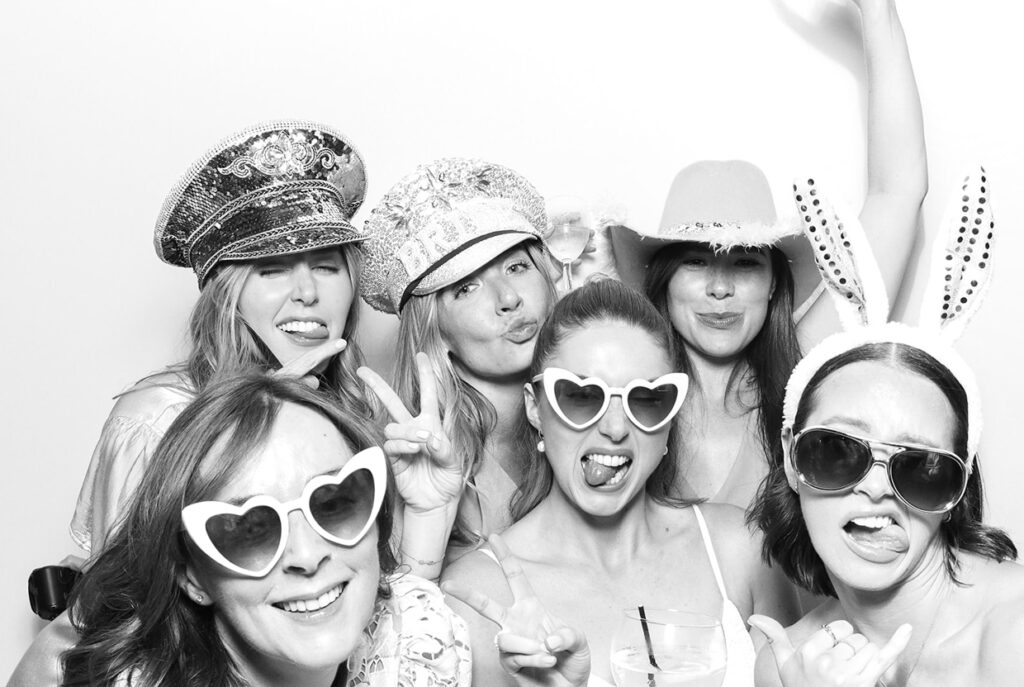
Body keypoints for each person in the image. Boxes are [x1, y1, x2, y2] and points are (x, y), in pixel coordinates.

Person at [605, 0, 927, 508]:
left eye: (746, 264)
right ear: (661, 280)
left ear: (776, 284)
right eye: (697, 262)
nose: (720, 290)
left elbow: (899, 194)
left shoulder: (805, 377)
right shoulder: (616, 402)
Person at [444, 279, 799, 686]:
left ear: (671, 420)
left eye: (647, 400)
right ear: (535, 409)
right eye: (581, 396)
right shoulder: (477, 597)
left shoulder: (742, 549)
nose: (614, 428)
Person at [10, 373, 471, 687]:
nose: (307, 555)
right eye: (249, 530)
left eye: (334, 503)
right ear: (192, 577)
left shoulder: (408, 637)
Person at [748, 171, 1024, 685]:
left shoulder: (1015, 633)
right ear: (790, 455)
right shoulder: (789, 665)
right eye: (836, 450)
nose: (876, 488)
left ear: (957, 488)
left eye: (921, 467)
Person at [72, 120, 373, 557]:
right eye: (272, 269)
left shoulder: (363, 409)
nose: (308, 293)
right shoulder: (155, 421)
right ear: (226, 299)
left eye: (326, 267)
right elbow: (122, 611)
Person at [360, 157, 557, 557]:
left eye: (517, 267)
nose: (509, 299)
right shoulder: (415, 465)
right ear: (435, 332)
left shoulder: (600, 417)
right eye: (466, 288)